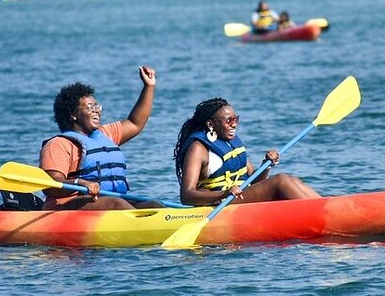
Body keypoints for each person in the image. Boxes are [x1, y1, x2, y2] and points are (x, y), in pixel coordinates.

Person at [39, 66, 160, 210]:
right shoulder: (58, 144)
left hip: (107, 204)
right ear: (73, 114)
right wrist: (80, 182)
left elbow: (135, 123)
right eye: (89, 107)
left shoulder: (105, 134)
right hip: (64, 209)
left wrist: (149, 87)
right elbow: (50, 185)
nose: (96, 109)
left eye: (97, 106)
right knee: (115, 203)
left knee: (153, 205)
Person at [173, 98, 320, 206]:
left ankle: (325, 205)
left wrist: (266, 165)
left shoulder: (230, 142)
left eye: (235, 118)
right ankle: (323, 213)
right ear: (210, 124)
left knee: (291, 179)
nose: (234, 124)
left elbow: (254, 181)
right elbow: (186, 196)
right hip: (218, 203)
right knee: (281, 181)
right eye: (228, 120)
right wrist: (224, 193)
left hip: (239, 198)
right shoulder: (198, 149)